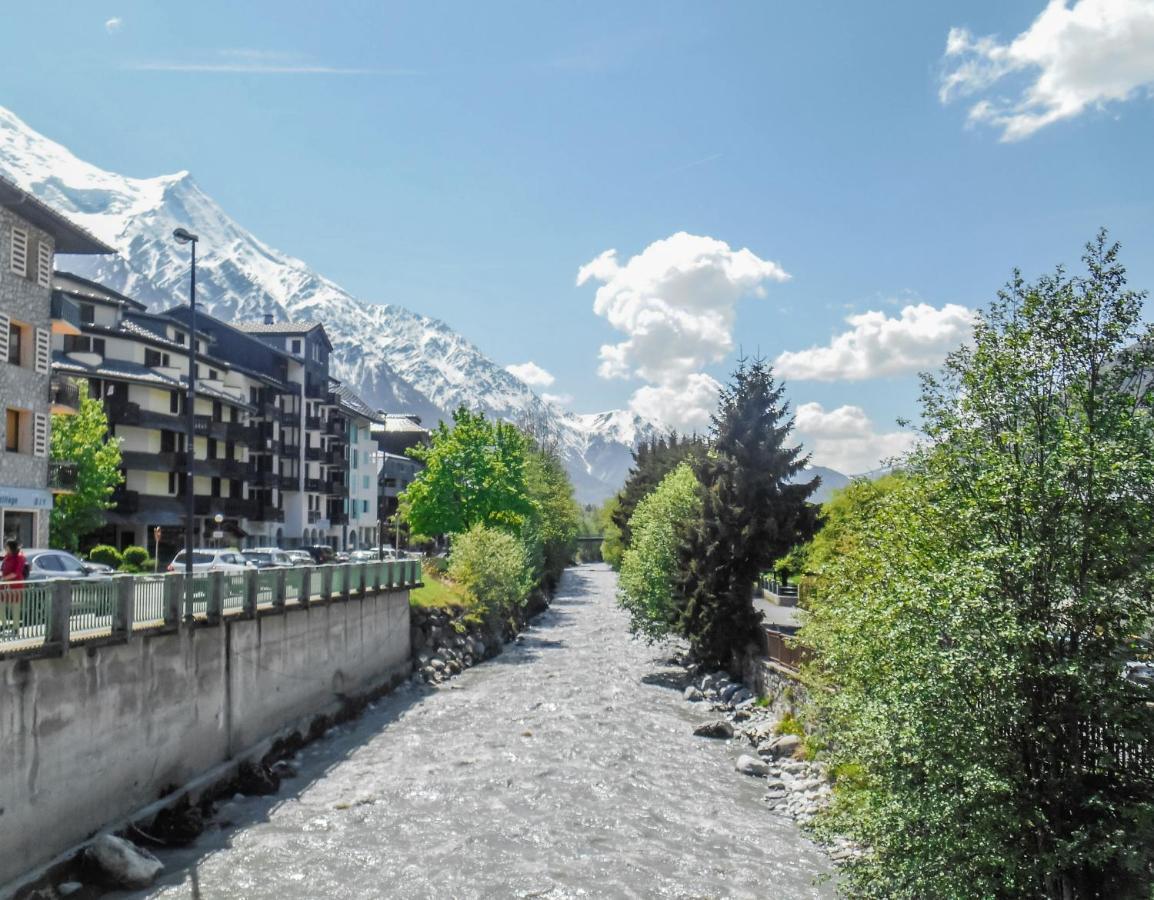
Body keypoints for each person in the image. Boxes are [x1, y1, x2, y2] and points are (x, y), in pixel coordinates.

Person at [1, 538, 27, 636]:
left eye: (6, 546)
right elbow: (4, 568)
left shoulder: (19, 557)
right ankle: (4, 626)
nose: (5, 548)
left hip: (16, 585)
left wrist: (4, 578)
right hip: (4, 586)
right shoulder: (7, 556)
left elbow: (16, 573)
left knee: (15, 608)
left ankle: (15, 630)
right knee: (1, 605)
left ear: (11, 547)